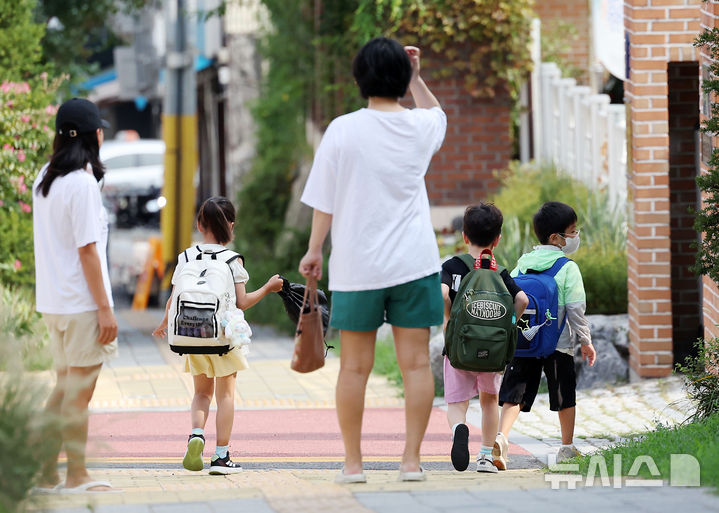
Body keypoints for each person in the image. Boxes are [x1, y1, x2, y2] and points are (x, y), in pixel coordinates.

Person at [298, 37, 446, 483]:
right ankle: (412, 462)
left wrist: (314, 248)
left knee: (354, 367)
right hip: (415, 264)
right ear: (402, 80)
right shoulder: (420, 128)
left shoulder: (342, 130)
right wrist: (417, 78)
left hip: (357, 266)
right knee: (417, 365)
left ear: (360, 79)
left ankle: (353, 464)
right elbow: (436, 113)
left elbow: (324, 198)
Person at [153, 197, 283, 474]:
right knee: (226, 396)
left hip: (192, 336)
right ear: (231, 227)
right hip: (223, 337)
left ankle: (197, 435)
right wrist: (270, 287)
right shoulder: (232, 260)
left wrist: (164, 323)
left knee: (201, 393)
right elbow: (243, 301)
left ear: (200, 225)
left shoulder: (185, 257)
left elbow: (174, 297)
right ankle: (221, 457)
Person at [33, 97, 119, 493]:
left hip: (53, 303)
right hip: (82, 305)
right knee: (78, 395)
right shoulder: (81, 183)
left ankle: (44, 471)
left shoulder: (44, 178)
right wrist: (105, 309)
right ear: (94, 136)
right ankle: (76, 475)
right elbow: (88, 250)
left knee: (64, 388)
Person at [494, 201, 597, 468]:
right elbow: (576, 310)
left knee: (513, 393)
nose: (576, 236)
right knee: (564, 393)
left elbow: (514, 299)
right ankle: (566, 447)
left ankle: (502, 437)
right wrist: (585, 341)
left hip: (525, 340)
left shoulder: (523, 264)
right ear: (556, 238)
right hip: (557, 343)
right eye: (573, 232)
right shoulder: (568, 268)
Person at [441, 204, 528, 473]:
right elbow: (522, 299)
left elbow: (442, 294)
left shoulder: (453, 267)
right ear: (497, 239)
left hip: (458, 348)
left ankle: (459, 428)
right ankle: (486, 457)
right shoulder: (499, 273)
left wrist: (448, 320)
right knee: (489, 401)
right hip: (492, 350)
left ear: (464, 236)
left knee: (457, 403)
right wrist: (509, 324)